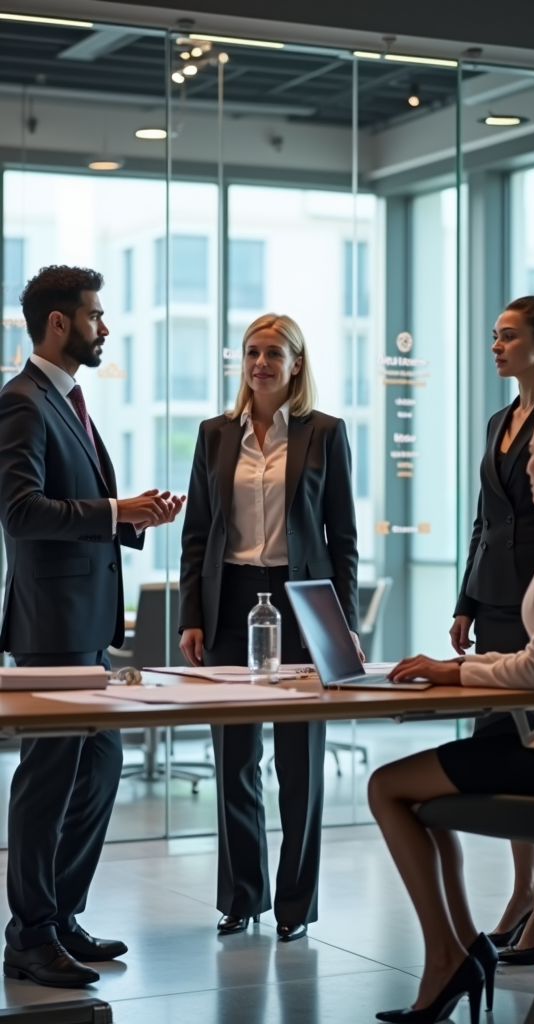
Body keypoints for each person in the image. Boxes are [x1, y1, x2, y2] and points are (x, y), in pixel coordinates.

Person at [0, 265, 185, 988]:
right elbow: (19, 512)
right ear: (58, 324)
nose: (104, 327)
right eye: (95, 315)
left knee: (98, 764)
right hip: (51, 627)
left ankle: (60, 915)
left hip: (83, 621)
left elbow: (73, 503)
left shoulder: (65, 401)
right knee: (48, 781)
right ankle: (30, 934)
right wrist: (115, 512)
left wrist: (130, 515)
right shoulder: (22, 404)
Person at [368, 398, 534, 1024]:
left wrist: (454, 668)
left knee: (386, 787)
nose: (526, 467)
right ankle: (460, 951)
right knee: (417, 796)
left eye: (533, 455)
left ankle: (448, 959)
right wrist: (457, 667)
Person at [179, 313, 361, 942]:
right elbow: (197, 534)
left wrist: (347, 624)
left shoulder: (325, 434)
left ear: (296, 364)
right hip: (230, 600)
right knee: (233, 761)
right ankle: (242, 897)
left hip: (304, 603)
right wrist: (192, 616)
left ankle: (295, 907)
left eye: (274, 354)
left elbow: (344, 541)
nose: (261, 363)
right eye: (253, 353)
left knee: (300, 764)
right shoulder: (214, 434)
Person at [451, 282, 534, 963]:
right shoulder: (499, 418)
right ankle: (524, 886)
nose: (496, 346)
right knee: (501, 736)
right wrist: (465, 602)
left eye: (507, 336)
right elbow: (484, 517)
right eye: (494, 336)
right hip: (495, 596)